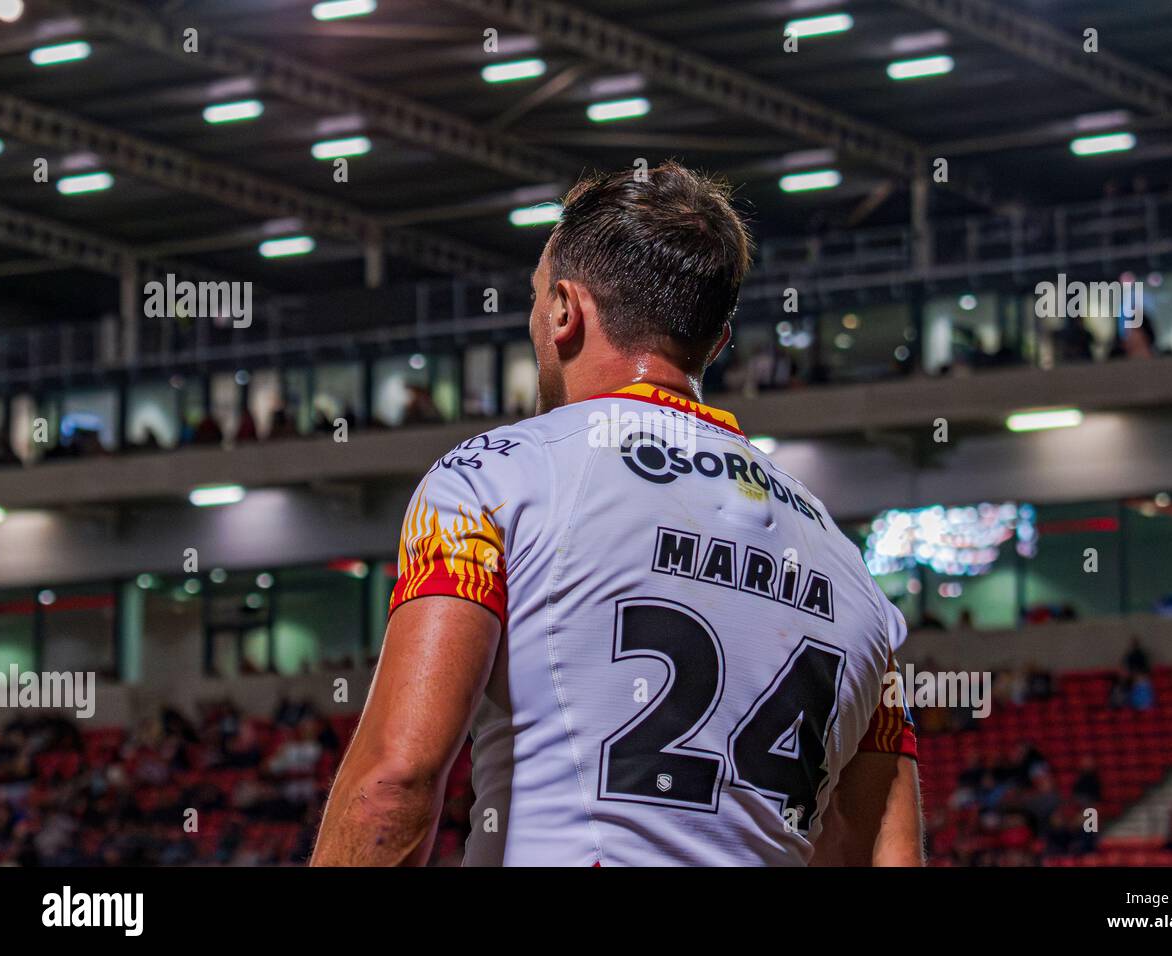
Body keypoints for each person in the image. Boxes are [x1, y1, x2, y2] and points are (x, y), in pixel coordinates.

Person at [311, 163, 921, 867]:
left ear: (564, 312)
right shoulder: (852, 573)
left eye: (536, 299)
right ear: (717, 342)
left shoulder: (491, 478)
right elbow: (887, 854)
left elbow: (395, 782)